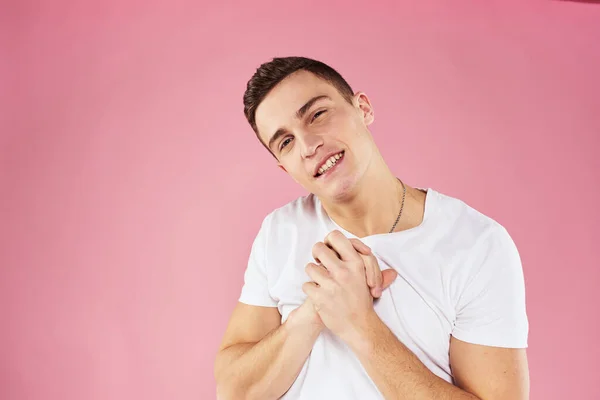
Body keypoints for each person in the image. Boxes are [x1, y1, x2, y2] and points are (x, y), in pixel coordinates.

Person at [213, 56, 529, 400]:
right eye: (285, 142)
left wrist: (360, 326)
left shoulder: (475, 244)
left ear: (362, 108)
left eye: (317, 114)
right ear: (284, 167)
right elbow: (234, 392)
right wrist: (314, 311)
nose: (308, 145)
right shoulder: (280, 231)